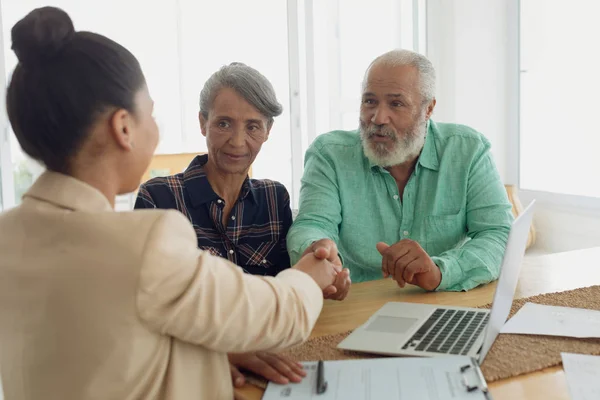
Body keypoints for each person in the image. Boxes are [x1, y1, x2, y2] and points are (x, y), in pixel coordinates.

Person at [0, 7, 339, 400]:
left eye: (253, 126)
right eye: (152, 114)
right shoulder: (149, 238)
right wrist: (312, 275)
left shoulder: (8, 234)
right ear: (124, 127)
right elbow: (279, 314)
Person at [287, 49, 513, 292]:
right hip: (356, 302)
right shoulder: (329, 154)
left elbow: (499, 234)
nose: (378, 118)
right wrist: (319, 253)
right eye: (370, 101)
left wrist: (440, 272)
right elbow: (312, 224)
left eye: (396, 103)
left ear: (428, 109)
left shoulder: (468, 151)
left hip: (441, 299)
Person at [134, 63, 351, 300]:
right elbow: (148, 296)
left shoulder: (274, 198)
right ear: (202, 123)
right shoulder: (157, 198)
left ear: (268, 130)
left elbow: (288, 289)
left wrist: (323, 277)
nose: (237, 142)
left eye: (252, 126)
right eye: (224, 124)